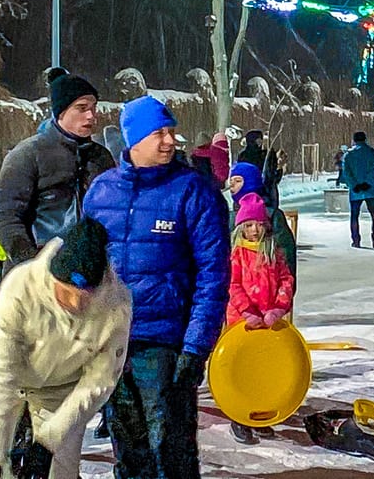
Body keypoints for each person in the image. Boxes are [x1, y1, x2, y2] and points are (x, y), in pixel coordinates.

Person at [83, 95, 230, 479]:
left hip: (167, 345)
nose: (169, 141)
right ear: (134, 140)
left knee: (171, 450)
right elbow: (85, 264)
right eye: (158, 133)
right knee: (128, 449)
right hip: (113, 343)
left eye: (171, 132)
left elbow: (214, 275)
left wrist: (196, 347)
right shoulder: (102, 192)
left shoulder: (193, 191)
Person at [0, 218, 130, 479]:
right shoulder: (20, 288)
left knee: (62, 469)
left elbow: (98, 382)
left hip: (63, 390)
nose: (74, 304)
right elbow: (2, 375)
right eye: (66, 292)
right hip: (12, 379)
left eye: (84, 297)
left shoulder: (116, 307)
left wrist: (48, 441)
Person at [0, 70, 114, 280]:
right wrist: (31, 265)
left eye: (94, 108)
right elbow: (6, 216)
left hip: (89, 277)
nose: (91, 115)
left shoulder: (101, 158)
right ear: (61, 111)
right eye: (82, 108)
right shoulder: (27, 155)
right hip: (33, 277)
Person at [226, 193, 295, 444]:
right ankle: (240, 416)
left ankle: (262, 415)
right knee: (244, 370)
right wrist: (247, 311)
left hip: (269, 322)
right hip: (243, 324)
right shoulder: (237, 254)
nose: (254, 230)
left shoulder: (273, 250)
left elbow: (286, 279)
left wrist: (278, 308)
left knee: (266, 369)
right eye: (248, 225)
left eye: (258, 224)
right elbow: (232, 285)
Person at [230, 162, 297, 279]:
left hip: (271, 289)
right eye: (231, 181)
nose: (232, 186)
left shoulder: (272, 216)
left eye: (237, 181)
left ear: (250, 182)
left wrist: (285, 293)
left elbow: (287, 259)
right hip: (237, 292)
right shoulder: (230, 216)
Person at [343, 132, 374, 248]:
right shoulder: (372, 153)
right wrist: (367, 183)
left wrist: (354, 185)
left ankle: (356, 240)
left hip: (355, 191)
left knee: (354, 215)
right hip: (371, 189)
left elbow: (347, 172)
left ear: (354, 140)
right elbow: (373, 169)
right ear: (365, 139)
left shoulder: (348, 155)